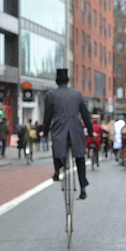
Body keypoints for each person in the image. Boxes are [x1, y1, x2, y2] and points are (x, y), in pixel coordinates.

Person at [39, 69, 93, 200]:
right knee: (80, 158)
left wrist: (44, 132)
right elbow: (85, 115)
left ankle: (57, 170)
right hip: (75, 127)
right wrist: (91, 132)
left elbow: (47, 117)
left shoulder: (51, 94)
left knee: (56, 148)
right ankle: (83, 188)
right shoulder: (76, 94)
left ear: (56, 82)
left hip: (59, 127)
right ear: (68, 81)